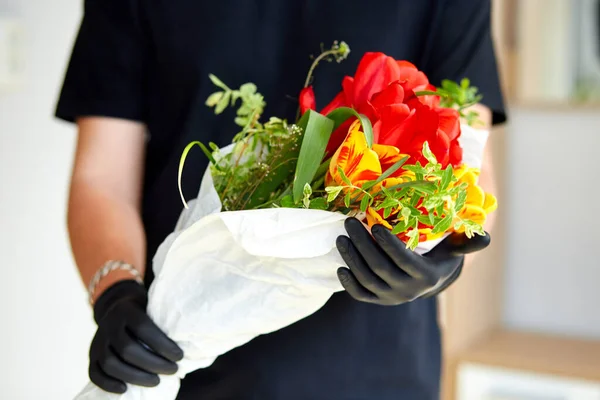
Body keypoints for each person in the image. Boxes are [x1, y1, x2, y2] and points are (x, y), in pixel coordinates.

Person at [55, 0, 506, 398]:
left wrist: (443, 263)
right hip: (185, 358)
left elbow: (468, 161)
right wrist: (115, 291)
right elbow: (101, 177)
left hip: (378, 371)